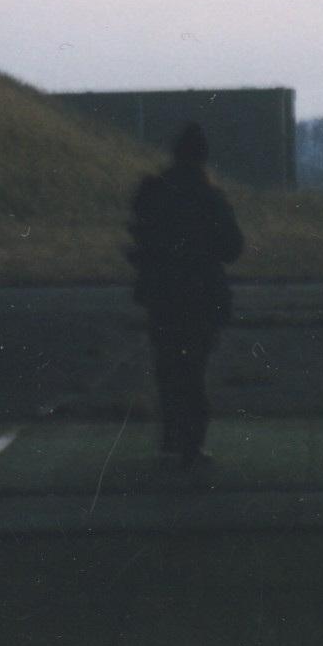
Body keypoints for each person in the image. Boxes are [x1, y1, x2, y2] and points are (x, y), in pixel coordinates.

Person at [127, 123, 245, 466]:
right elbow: (232, 248)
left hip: (162, 292)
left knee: (167, 367)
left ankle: (172, 434)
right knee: (194, 370)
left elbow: (140, 238)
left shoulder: (151, 191)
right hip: (201, 293)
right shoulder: (211, 197)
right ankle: (192, 444)